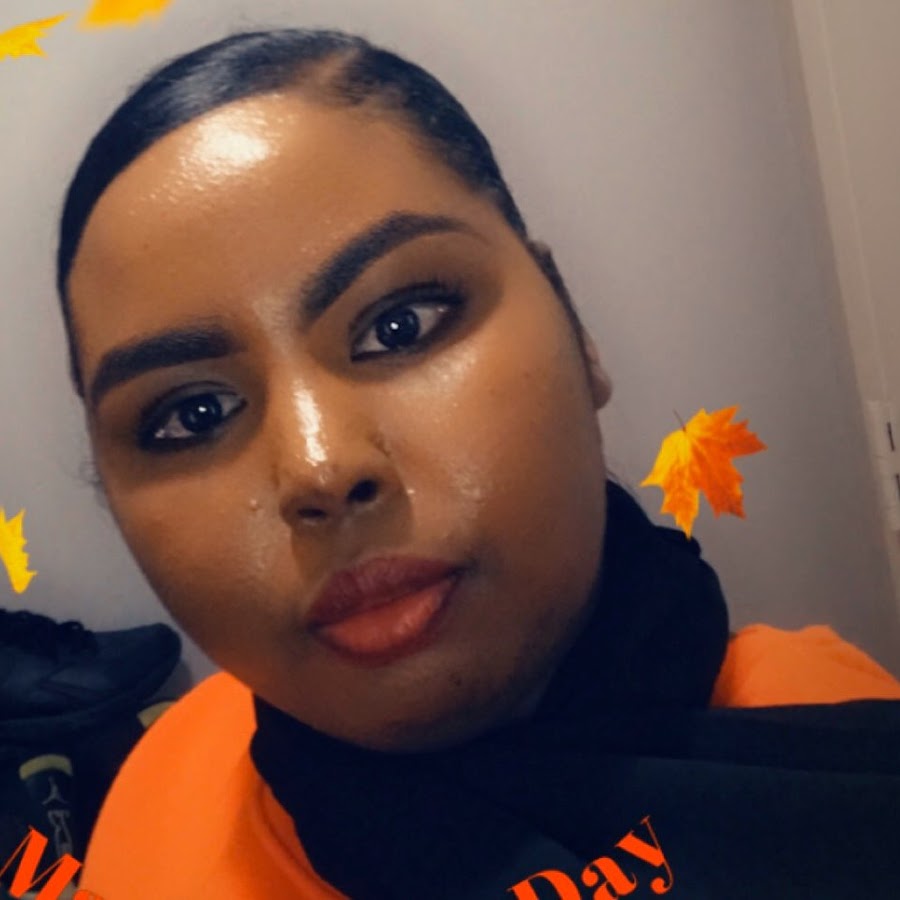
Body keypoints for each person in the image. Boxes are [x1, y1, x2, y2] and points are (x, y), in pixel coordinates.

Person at [54, 28, 900, 899]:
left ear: (575, 329)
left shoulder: (839, 743)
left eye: (400, 326)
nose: (319, 469)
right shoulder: (159, 804)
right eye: (191, 416)